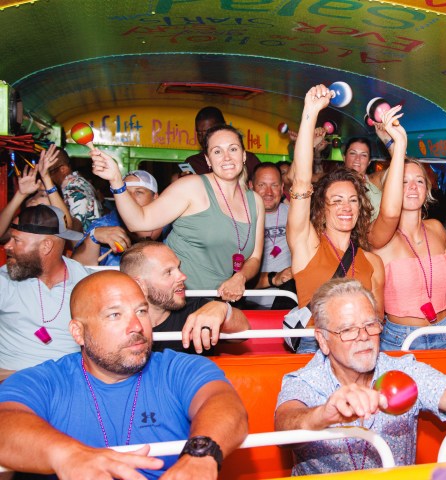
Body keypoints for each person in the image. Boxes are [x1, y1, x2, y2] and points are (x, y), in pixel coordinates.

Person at [0, 270, 248, 479]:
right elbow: (6, 421)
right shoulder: (47, 380)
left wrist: (201, 454)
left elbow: (225, 405)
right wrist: (65, 454)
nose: (137, 326)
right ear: (78, 332)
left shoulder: (178, 368)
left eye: (141, 311)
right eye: (115, 315)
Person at [274, 278, 446, 476]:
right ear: (323, 340)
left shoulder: (405, 371)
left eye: (370, 325)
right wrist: (325, 414)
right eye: (348, 330)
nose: (364, 336)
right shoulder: (305, 380)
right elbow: (285, 424)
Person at [90, 124, 265, 301]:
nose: (226, 157)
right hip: (179, 299)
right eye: (217, 151)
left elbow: (255, 257)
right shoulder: (192, 187)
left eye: (233, 149)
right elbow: (139, 221)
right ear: (208, 160)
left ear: (243, 155)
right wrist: (116, 181)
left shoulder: (256, 201)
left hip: (222, 300)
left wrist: (240, 277)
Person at [286, 85, 384, 354]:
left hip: (361, 349)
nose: (346, 207)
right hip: (316, 349)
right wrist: (310, 112)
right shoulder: (307, 246)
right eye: (337, 200)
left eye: (352, 200)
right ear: (322, 207)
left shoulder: (373, 262)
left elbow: (379, 321)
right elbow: (302, 180)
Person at [367, 105, 446, 351]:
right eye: (403, 181)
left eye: (419, 181)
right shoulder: (378, 234)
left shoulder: (435, 228)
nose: (412, 187)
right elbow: (389, 213)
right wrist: (398, 144)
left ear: (427, 191)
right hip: (401, 339)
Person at [0, 205, 88, 380]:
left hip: (69, 382)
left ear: (46, 246)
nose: (7, 246)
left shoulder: (86, 284)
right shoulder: (4, 280)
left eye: (16, 240)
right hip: (13, 382)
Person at [120, 241, 250, 355]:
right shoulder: (119, 325)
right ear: (139, 284)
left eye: (179, 267)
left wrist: (223, 309)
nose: (182, 276)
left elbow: (243, 331)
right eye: (168, 272)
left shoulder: (195, 309)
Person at [72, 170, 166, 266]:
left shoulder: (169, 225)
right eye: (125, 193)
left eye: (138, 192)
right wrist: (93, 238)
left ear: (155, 197)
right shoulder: (104, 225)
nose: (130, 198)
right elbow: (76, 269)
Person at [249, 162, 297, 309]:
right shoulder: (241, 218)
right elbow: (233, 277)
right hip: (250, 302)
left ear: (282, 188)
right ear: (251, 186)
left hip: (292, 301)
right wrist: (274, 278)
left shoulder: (294, 215)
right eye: (262, 185)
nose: (269, 192)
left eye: (274, 185)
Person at [0, 144, 74, 238]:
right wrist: (21, 195)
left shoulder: (57, 230)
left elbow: (66, 226)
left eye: (43, 195)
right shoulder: (22, 227)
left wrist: (46, 177)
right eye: (33, 195)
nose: (33, 199)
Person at [186, 106, 260, 178]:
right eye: (199, 133)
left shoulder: (250, 160)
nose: (202, 138)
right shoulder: (193, 162)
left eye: (207, 132)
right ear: (208, 160)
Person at [46, 146, 103, 231]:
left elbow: (72, 228)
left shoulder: (74, 190)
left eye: (50, 172)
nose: (49, 176)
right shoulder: (80, 182)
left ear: (63, 169)